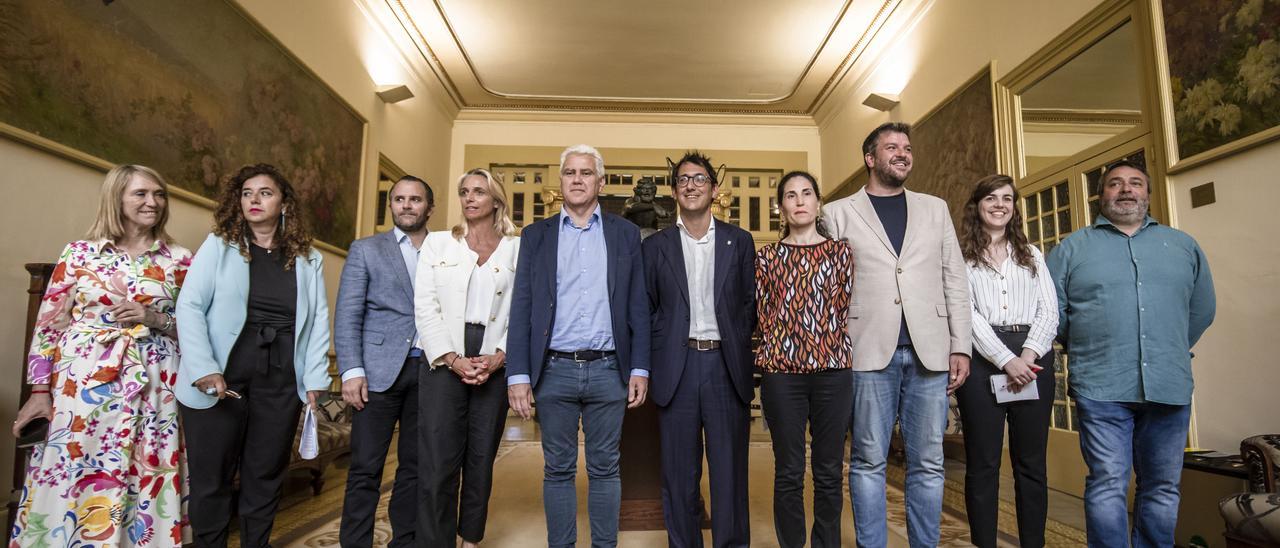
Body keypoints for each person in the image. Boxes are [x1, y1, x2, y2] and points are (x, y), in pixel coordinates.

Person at [10, 165, 192, 546]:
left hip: (155, 382)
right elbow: (48, 327)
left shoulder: (178, 258)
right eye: (141, 194)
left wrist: (154, 317)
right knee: (76, 466)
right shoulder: (78, 254)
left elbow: (197, 327)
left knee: (147, 469)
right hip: (84, 383)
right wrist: (40, 391)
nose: (153, 202)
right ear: (117, 198)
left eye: (159, 194)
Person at [1047, 160, 1215, 547]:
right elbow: (1053, 313)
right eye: (1115, 184)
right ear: (1101, 194)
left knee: (1162, 485)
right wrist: (1092, 345)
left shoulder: (1182, 245)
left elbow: (1202, 309)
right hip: (1101, 385)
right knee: (1107, 483)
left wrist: (1167, 346)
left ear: (1148, 194)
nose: (1125, 190)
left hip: (1168, 384)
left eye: (1135, 183)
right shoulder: (1072, 249)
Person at [822, 122, 972, 548]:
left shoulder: (934, 208)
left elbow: (954, 279)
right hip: (868, 353)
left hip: (930, 353)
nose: (902, 153)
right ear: (870, 158)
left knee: (929, 462)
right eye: (892, 147)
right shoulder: (837, 213)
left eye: (907, 147)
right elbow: (828, 289)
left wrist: (960, 345)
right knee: (869, 461)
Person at [176, 163, 332, 548]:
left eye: (265, 192)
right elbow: (189, 306)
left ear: (284, 204)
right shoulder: (219, 245)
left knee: (264, 475)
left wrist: (314, 380)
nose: (254, 200)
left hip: (280, 380)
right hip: (220, 379)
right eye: (247, 193)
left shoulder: (308, 258)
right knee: (212, 479)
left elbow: (316, 325)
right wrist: (204, 368)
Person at [506, 144, 650, 548]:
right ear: (561, 181)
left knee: (606, 468)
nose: (577, 179)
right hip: (554, 371)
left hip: (609, 370)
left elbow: (638, 304)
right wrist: (518, 374)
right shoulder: (536, 236)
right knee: (558, 470)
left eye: (586, 173)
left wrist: (640, 367)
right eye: (569, 172)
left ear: (600, 182)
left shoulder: (625, 234)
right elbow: (522, 307)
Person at [643, 151, 756, 548]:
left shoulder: (739, 241)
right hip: (677, 367)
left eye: (699, 179)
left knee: (729, 474)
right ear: (675, 190)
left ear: (714, 189)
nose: (691, 185)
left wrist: (739, 348)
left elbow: (749, 305)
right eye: (683, 180)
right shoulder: (655, 247)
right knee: (679, 477)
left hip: (726, 367)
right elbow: (648, 308)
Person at [414, 168, 519, 547]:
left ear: (497, 200)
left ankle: (470, 538)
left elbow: (523, 309)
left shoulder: (517, 247)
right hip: (444, 358)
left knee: (480, 460)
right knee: (439, 463)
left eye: (479, 191)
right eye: (463, 191)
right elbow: (425, 307)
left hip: (495, 357)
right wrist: (453, 358)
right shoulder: (438, 244)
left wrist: (499, 357)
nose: (470, 197)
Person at [954, 175, 1058, 548]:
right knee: (983, 465)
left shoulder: (1032, 254)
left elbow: (1049, 312)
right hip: (982, 360)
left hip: (1034, 359)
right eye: (991, 198)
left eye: (1007, 199)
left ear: (1014, 207)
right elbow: (965, 314)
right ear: (977, 204)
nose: (1000, 204)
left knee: (1031, 465)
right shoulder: (960, 256)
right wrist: (1005, 359)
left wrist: (1026, 357)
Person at [755, 171, 854, 548]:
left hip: (833, 373)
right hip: (783, 376)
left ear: (817, 202)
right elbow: (762, 316)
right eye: (791, 195)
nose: (799, 201)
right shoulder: (765, 258)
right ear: (781, 207)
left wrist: (820, 343)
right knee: (789, 472)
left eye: (806, 193)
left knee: (829, 472)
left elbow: (843, 308)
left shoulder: (841, 253)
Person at [335, 175, 434, 547]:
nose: (407, 205)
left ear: (429, 207)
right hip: (376, 372)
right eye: (399, 199)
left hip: (430, 372)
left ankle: (404, 541)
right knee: (364, 468)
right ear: (390, 205)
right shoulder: (366, 249)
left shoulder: (445, 249)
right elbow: (347, 314)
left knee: (415, 466)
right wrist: (351, 370)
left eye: (415, 199)